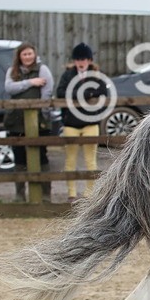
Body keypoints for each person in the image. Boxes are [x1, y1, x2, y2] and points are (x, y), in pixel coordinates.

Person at [4, 43, 54, 202]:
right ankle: (20, 195)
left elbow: (47, 91)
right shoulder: (13, 71)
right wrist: (31, 82)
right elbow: (9, 88)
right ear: (19, 56)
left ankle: (45, 195)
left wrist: (44, 114)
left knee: (41, 157)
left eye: (30, 54)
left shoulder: (43, 69)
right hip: (16, 121)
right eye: (24, 54)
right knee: (19, 158)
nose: (27, 57)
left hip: (38, 120)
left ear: (34, 54)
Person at [55, 43, 106, 202]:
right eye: (78, 59)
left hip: (90, 121)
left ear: (89, 60)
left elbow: (103, 90)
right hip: (71, 122)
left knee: (91, 160)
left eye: (83, 59)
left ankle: (89, 195)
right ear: (74, 61)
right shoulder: (68, 74)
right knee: (70, 160)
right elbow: (60, 92)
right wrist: (85, 93)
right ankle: (71, 193)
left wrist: (80, 93)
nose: (81, 62)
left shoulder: (96, 74)